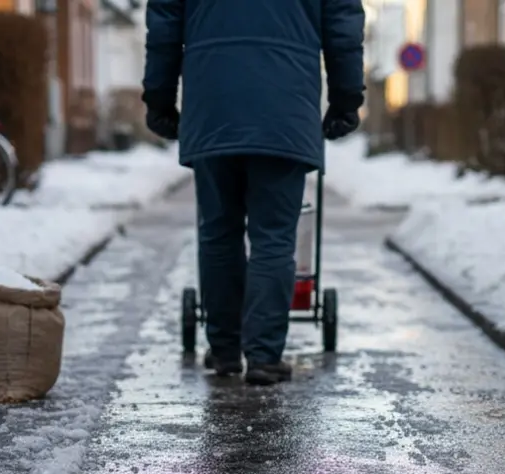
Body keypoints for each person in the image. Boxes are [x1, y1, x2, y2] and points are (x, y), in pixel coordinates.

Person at [142, 0, 365, 386]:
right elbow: (344, 28)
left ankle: (226, 349)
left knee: (218, 232)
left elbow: (163, 29)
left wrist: (159, 99)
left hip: (213, 108)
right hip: (286, 107)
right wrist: (345, 100)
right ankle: (263, 356)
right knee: (274, 238)